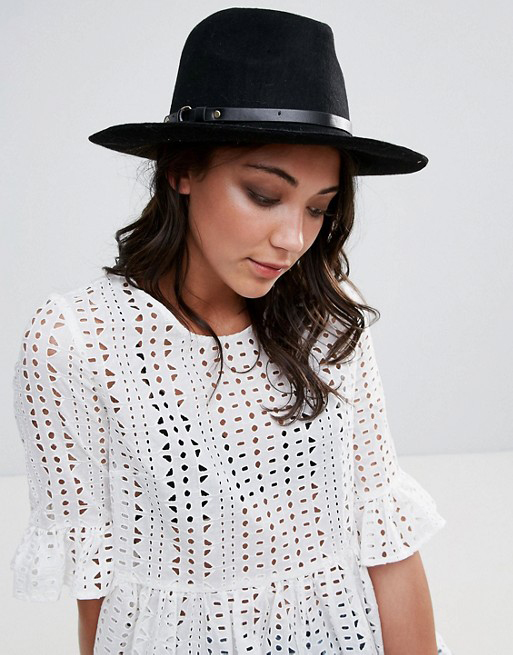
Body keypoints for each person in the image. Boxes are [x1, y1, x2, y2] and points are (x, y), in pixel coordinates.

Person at [10, 7, 453, 655]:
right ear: (182, 170)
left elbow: (386, 539)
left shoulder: (329, 315)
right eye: (264, 195)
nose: (292, 239)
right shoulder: (78, 340)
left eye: (318, 209)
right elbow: (98, 585)